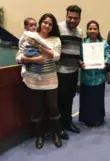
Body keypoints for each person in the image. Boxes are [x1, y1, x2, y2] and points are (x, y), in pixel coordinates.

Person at [16, 13, 62, 149]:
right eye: (45, 22)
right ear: (40, 23)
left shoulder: (55, 40)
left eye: (50, 24)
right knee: (36, 109)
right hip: (33, 80)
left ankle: (56, 134)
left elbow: (57, 57)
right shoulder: (28, 37)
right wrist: (33, 60)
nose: (47, 25)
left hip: (50, 79)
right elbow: (19, 57)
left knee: (53, 107)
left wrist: (39, 47)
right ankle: (39, 136)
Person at [79, 20, 110, 127]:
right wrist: (80, 63)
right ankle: (87, 119)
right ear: (87, 30)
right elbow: (79, 57)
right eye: (90, 28)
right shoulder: (83, 43)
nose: (92, 31)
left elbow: (109, 55)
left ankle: (98, 119)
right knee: (87, 99)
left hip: (99, 77)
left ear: (98, 30)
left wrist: (106, 61)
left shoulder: (103, 43)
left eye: (95, 28)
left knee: (98, 99)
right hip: (86, 77)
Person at [58, 5, 82, 139]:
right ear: (66, 15)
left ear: (80, 18)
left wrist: (80, 62)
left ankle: (68, 122)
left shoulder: (80, 31)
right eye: (70, 17)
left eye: (75, 18)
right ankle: (60, 126)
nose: (72, 20)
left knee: (70, 97)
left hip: (74, 71)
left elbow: (76, 51)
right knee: (61, 99)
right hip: (60, 71)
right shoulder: (59, 28)